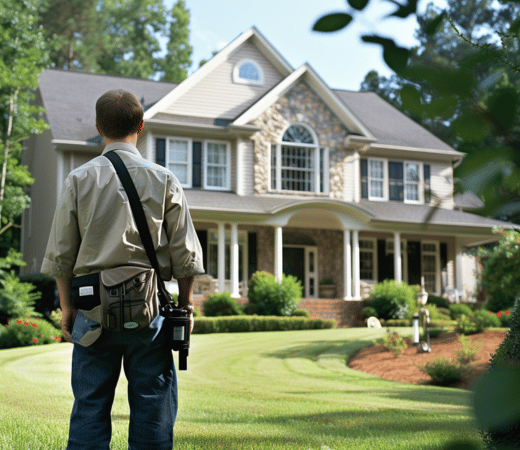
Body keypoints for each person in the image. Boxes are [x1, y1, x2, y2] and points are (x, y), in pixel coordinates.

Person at [41, 89, 204, 450]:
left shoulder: (79, 180)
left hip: (93, 312)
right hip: (150, 316)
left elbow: (61, 256)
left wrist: (67, 307)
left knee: (89, 408)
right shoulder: (164, 180)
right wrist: (187, 305)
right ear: (141, 127)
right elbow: (186, 257)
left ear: (99, 128)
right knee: (153, 411)